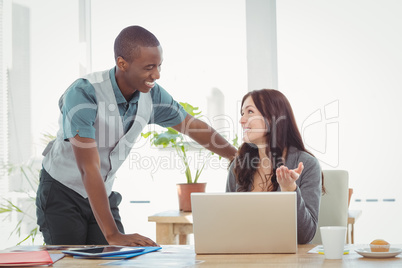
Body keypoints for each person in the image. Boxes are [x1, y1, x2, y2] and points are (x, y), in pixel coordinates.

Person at [36, 25, 237, 246]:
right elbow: (88, 167)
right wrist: (113, 235)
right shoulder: (84, 93)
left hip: (102, 191)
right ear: (122, 63)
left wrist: (234, 155)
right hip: (62, 191)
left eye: (159, 66)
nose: (157, 75)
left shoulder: (152, 95)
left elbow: (193, 125)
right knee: (70, 260)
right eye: (149, 67)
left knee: (115, 259)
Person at [226, 89, 323, 244]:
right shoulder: (238, 165)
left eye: (249, 112)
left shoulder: (307, 164)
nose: (241, 120)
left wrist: (289, 189)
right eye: (241, 113)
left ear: (273, 118)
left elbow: (305, 236)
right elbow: (228, 225)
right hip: (245, 256)